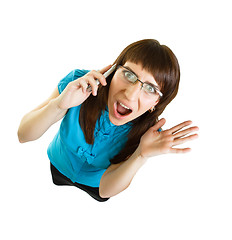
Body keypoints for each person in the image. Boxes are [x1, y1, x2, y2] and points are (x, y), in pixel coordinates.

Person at [17, 39, 199, 202]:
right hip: (58, 164)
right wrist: (59, 106)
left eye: (151, 89)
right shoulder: (78, 84)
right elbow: (23, 134)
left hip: (96, 185)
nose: (130, 94)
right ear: (113, 70)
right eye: (129, 74)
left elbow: (105, 191)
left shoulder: (149, 134)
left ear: (156, 102)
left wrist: (141, 155)